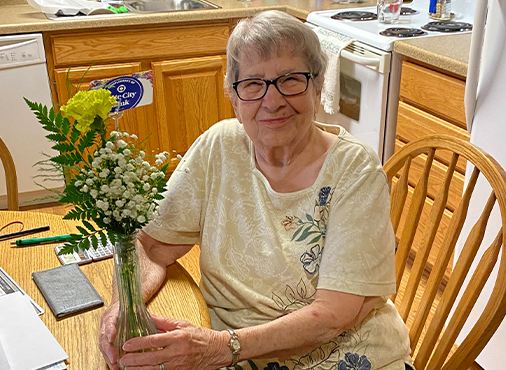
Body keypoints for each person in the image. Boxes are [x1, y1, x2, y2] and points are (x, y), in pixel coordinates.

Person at [99, 10, 414, 370]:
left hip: (348, 356)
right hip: (237, 355)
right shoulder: (218, 147)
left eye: (291, 79)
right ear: (232, 96)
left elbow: (334, 314)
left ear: (317, 84)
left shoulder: (355, 169)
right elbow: (151, 245)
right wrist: (124, 305)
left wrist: (221, 346)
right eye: (252, 84)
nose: (273, 100)